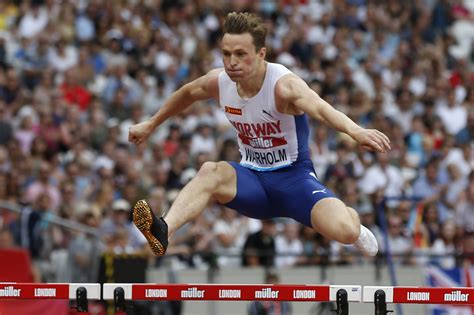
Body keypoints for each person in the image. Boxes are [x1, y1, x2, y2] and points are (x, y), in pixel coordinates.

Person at [128, 12, 390, 258]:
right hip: (252, 181)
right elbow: (186, 94)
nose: (232, 62)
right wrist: (151, 123)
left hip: (294, 181)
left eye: (241, 54)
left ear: (261, 53)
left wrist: (356, 131)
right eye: (226, 54)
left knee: (344, 230)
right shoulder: (220, 82)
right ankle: (164, 229)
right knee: (211, 171)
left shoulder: (283, 85)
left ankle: (353, 221)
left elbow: (320, 108)